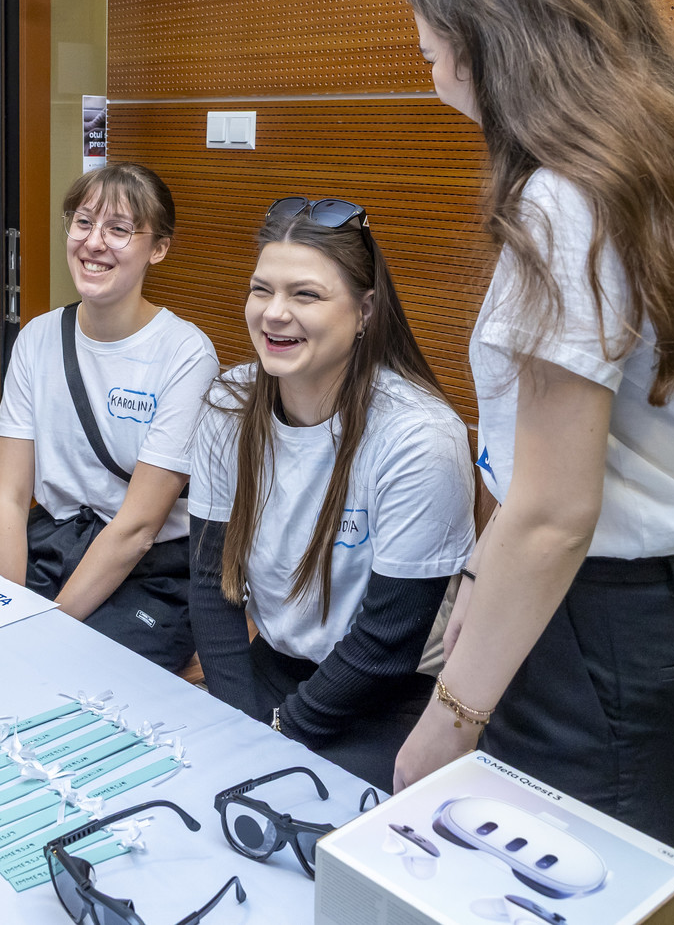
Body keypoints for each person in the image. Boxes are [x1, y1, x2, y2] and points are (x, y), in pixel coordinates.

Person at [394, 0, 674, 865]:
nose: (425, 58)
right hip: (661, 633)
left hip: (590, 650)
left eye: (432, 37)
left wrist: (445, 723)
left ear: (491, 33)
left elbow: (554, 512)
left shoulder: (564, 202)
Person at [188, 198, 475, 790]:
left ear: (365, 310)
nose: (274, 314)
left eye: (306, 295)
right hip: (273, 671)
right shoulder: (229, 404)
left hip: (390, 694)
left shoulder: (417, 435)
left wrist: (278, 733)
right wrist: (240, 721)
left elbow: (388, 643)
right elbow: (212, 587)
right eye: (261, 290)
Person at [0, 163, 219, 672]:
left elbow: (137, 528)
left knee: (76, 673)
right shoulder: (37, 338)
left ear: (158, 249)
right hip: (52, 543)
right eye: (83, 222)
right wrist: (7, 614)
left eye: (119, 229)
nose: (94, 242)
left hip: (149, 569)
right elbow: (8, 499)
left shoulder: (185, 354)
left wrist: (44, 629)